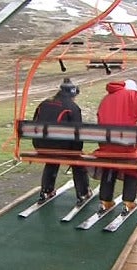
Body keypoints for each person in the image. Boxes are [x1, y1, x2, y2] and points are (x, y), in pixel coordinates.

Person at [95, 78, 137, 215]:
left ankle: (105, 200)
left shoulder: (106, 99)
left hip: (106, 145)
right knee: (131, 165)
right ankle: (128, 201)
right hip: (125, 146)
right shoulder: (131, 96)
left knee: (110, 164)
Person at [32, 78, 92, 206]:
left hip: (40, 145)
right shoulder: (73, 108)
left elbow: (34, 125)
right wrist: (77, 152)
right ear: (72, 94)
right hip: (62, 147)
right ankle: (83, 192)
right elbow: (78, 134)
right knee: (77, 162)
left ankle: (46, 190)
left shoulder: (43, 104)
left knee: (52, 159)